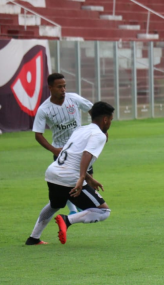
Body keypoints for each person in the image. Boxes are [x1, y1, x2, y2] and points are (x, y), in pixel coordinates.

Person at [25, 101, 114, 245]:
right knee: (104, 212)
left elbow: (72, 156)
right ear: (105, 119)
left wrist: (88, 178)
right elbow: (86, 154)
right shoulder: (99, 135)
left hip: (53, 173)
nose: (110, 122)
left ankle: (33, 238)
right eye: (111, 119)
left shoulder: (80, 130)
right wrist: (81, 178)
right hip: (70, 178)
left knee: (55, 204)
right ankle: (67, 220)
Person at [32, 73, 93, 216]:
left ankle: (80, 206)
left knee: (87, 179)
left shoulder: (74, 99)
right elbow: (38, 135)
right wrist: (54, 150)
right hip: (62, 152)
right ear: (50, 88)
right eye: (59, 87)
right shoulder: (44, 109)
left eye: (64, 86)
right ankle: (73, 211)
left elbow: (92, 109)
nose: (63, 89)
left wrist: (98, 129)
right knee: (65, 183)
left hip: (80, 149)